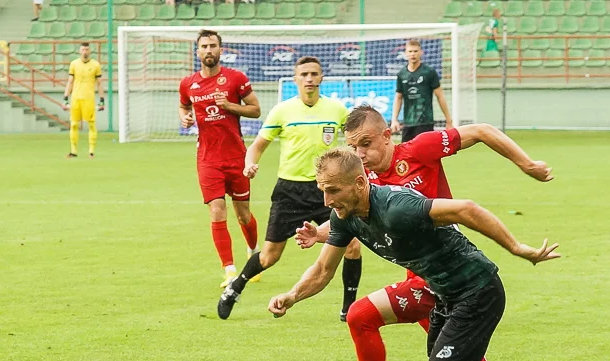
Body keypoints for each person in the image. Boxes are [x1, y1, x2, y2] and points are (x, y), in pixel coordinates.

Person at [271, 148, 559, 361]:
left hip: (477, 289)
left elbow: (466, 209)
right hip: (445, 295)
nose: (327, 201)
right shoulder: (345, 218)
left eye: (333, 190)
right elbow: (323, 270)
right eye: (322, 190)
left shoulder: (397, 207)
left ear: (359, 182)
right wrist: (292, 295)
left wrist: (518, 248)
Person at [217, 56, 362, 321]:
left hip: (326, 190)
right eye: (304, 74)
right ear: (295, 79)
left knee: (352, 244)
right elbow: (258, 145)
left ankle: (348, 308)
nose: (309, 78)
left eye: (314, 74)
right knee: (271, 255)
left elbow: (355, 140)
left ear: (321, 78)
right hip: (289, 191)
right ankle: (235, 287)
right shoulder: (283, 111)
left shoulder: (337, 110)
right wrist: (250, 164)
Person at [179, 29, 262, 287]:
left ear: (220, 50)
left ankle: (253, 253)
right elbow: (184, 105)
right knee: (216, 211)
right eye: (204, 46)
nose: (208, 50)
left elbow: (256, 110)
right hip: (207, 159)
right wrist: (185, 116)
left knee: (243, 214)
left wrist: (229, 106)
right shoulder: (188, 84)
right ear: (197, 51)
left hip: (237, 157)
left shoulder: (236, 79)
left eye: (213, 46)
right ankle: (229, 271)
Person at [390, 39, 453, 142]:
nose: (413, 54)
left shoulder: (429, 72)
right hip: (408, 123)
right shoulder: (402, 74)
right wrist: (394, 120)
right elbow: (398, 97)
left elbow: (440, 96)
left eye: (415, 51)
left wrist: (448, 120)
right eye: (410, 51)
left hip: (426, 122)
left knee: (426, 155)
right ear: (406, 53)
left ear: (421, 52)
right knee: (406, 156)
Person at [61, 43, 104, 159]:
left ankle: (91, 151)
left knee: (91, 124)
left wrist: (102, 99)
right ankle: (73, 151)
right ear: (80, 51)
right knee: (74, 124)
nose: (85, 51)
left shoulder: (95, 65)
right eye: (83, 49)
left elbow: (100, 83)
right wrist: (65, 98)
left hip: (89, 98)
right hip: (76, 98)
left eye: (87, 49)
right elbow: (70, 82)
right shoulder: (74, 64)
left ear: (90, 51)